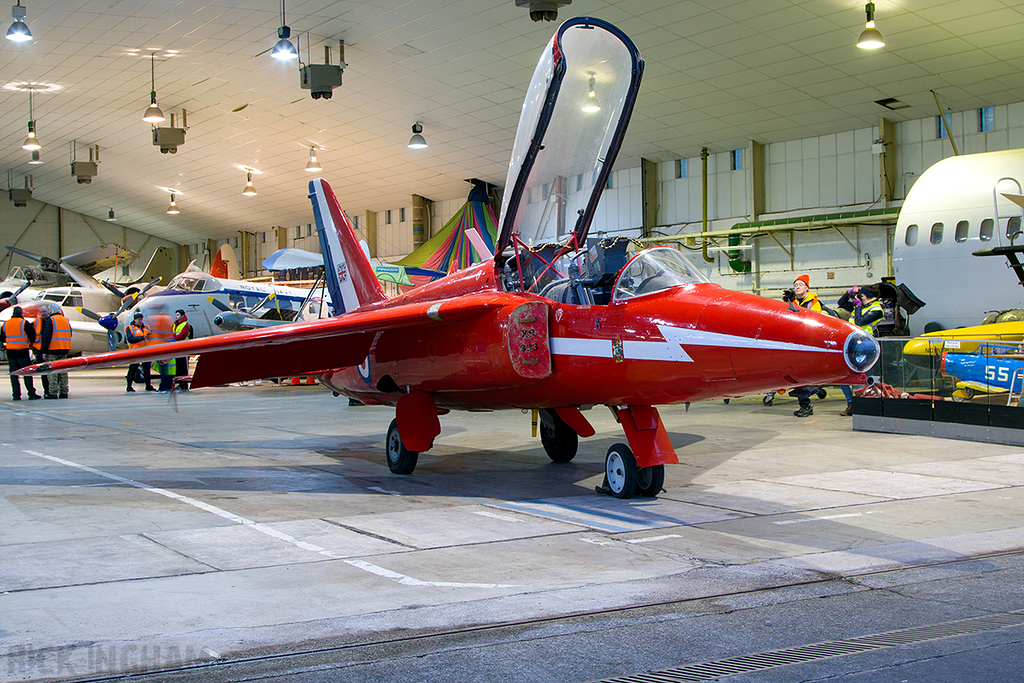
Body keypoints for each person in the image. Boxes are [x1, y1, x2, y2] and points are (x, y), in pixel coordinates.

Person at [836, 284, 884, 416]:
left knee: (858, 377)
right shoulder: (860, 307)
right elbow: (841, 303)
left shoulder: (877, 310)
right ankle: (851, 403)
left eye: (862, 296)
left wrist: (857, 306)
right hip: (851, 345)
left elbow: (859, 321)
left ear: (870, 297)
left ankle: (860, 404)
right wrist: (848, 292)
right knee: (842, 378)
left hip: (865, 347)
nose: (859, 298)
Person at [785, 274, 823, 417]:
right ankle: (807, 402)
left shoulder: (814, 303)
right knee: (799, 376)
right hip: (796, 342)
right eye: (796, 285)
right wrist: (787, 301)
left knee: (803, 376)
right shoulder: (793, 301)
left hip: (810, 343)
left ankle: (812, 394)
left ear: (807, 287)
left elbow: (814, 319)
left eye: (800, 285)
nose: (797, 287)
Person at [1, 306, 41, 401]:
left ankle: (16, 395)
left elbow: (2, 338)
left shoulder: (5, 324)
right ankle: (31, 393)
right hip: (22, 351)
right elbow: (32, 335)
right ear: (21, 314)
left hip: (10, 352)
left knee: (14, 374)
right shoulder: (24, 323)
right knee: (27, 373)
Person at [38, 303, 72, 399]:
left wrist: (44, 351)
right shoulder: (65, 320)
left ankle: (52, 392)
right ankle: (64, 392)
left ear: (51, 311)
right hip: (64, 349)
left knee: (52, 372)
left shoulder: (50, 320)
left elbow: (46, 337)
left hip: (52, 350)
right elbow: (70, 333)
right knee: (63, 372)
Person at [125, 311, 154, 392]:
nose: (141, 321)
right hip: (136, 352)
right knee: (132, 368)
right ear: (135, 320)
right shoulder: (130, 328)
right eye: (139, 320)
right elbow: (130, 339)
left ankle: (148, 385)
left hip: (146, 351)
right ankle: (129, 386)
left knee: (147, 369)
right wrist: (141, 337)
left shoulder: (146, 327)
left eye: (141, 319)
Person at [148, 307, 175, 392]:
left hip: (161, 348)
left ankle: (163, 387)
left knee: (164, 370)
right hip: (166, 347)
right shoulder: (167, 319)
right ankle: (168, 386)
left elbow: (158, 335)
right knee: (166, 370)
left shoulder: (159, 320)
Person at [172, 309, 193, 390]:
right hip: (176, 349)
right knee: (178, 368)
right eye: (175, 315)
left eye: (177, 315)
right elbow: (171, 335)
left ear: (182, 316)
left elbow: (181, 336)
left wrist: (175, 336)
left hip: (183, 349)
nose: (176, 317)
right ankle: (180, 384)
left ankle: (184, 385)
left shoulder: (186, 325)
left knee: (184, 368)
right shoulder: (174, 325)